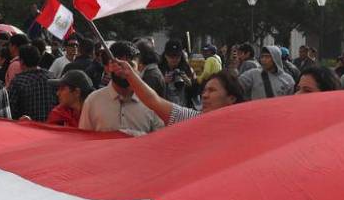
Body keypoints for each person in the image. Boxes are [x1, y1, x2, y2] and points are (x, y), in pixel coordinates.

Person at [110, 59, 244, 126]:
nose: (204, 95)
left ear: (231, 98)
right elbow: (154, 101)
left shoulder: (244, 127)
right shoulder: (192, 120)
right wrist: (130, 75)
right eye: (204, 91)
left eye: (212, 90)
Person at [79, 41, 164, 135]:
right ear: (107, 68)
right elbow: (84, 141)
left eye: (130, 65)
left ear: (139, 68)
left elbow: (160, 142)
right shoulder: (93, 101)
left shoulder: (152, 102)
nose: (124, 70)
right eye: (118, 64)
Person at [7, 43, 56, 122]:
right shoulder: (52, 78)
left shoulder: (18, 81)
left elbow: (10, 111)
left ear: (22, 61)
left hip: (28, 130)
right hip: (51, 128)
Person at [159, 39, 197, 108]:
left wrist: (191, 83)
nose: (174, 59)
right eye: (171, 56)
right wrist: (163, 81)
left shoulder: (187, 69)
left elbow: (196, 94)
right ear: (165, 56)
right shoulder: (159, 69)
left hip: (184, 108)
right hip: (164, 107)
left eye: (177, 57)